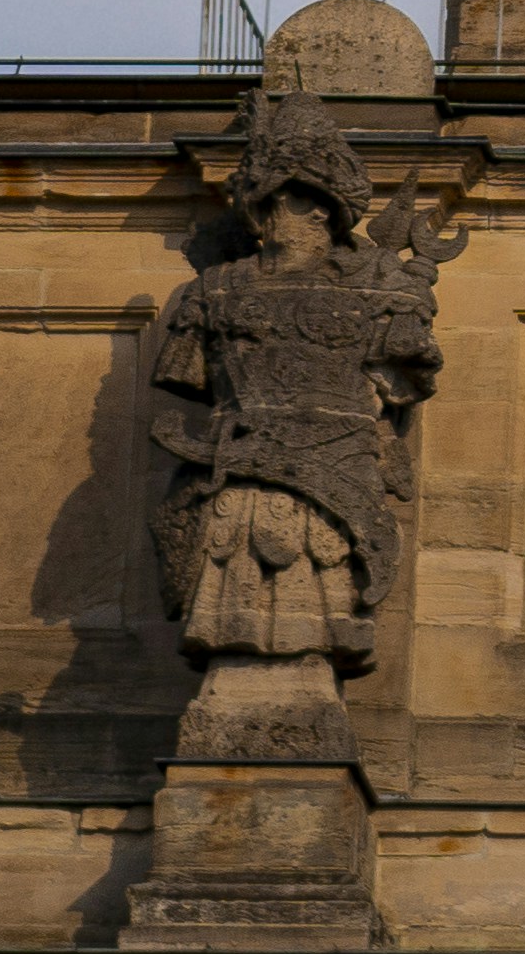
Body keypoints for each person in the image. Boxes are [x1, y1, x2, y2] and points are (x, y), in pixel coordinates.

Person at [149, 99, 443, 675]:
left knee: (316, 577)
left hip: (335, 473)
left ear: (329, 210)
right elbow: (188, 375)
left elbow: (404, 378)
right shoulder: (215, 288)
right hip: (242, 470)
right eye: (272, 198)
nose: (282, 212)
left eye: (300, 197)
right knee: (238, 563)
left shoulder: (385, 287)